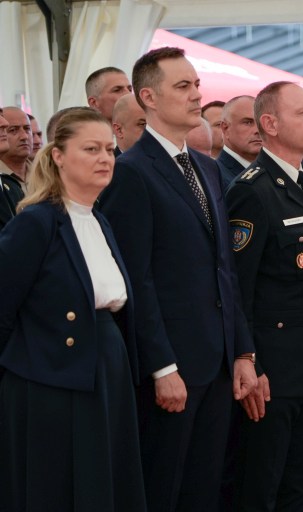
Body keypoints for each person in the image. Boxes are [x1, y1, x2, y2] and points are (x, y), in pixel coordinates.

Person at [98, 46, 258, 512]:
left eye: (197, 85)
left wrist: (242, 350)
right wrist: (162, 367)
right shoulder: (130, 173)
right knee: (163, 488)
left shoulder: (206, 167)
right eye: (183, 86)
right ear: (148, 97)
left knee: (204, 489)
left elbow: (224, 268)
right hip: (171, 367)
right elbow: (137, 280)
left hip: (217, 360)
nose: (196, 95)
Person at [0, 107, 146, 511]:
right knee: (58, 489)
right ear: (58, 156)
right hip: (50, 380)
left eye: (110, 150)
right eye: (91, 149)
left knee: (102, 485)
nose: (105, 158)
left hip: (106, 370)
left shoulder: (99, 220)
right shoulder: (37, 222)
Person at [226, 81, 303, 512]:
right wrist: (251, 361)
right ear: (270, 124)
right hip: (273, 372)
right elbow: (238, 288)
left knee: (299, 486)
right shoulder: (251, 190)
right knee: (261, 487)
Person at [218, 95, 261, 188]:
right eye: (247, 122)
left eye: (260, 123)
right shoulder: (214, 175)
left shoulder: (274, 171)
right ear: (225, 128)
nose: (257, 130)